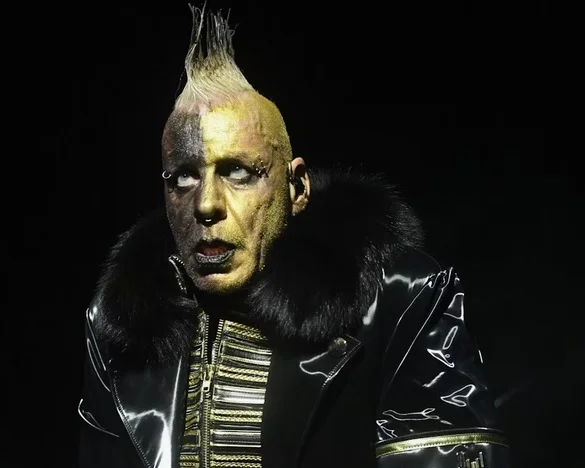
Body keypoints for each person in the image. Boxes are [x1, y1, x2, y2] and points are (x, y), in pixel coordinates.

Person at [78, 6, 511, 468]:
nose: (206, 205)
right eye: (183, 178)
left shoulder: (400, 299)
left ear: (296, 188)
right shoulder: (119, 325)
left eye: (239, 172)